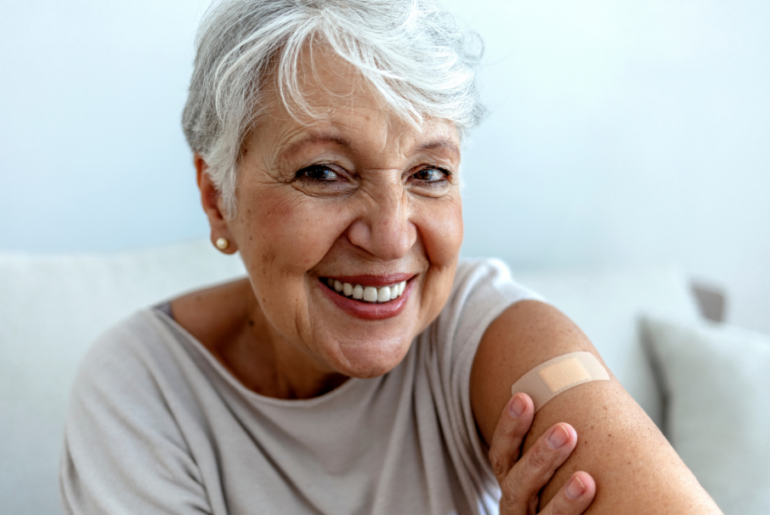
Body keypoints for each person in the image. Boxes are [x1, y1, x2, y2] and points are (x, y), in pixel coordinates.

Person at [59, 0, 722, 513]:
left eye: (428, 173)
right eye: (323, 172)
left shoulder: (488, 332)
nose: (391, 236)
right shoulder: (142, 387)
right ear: (217, 198)